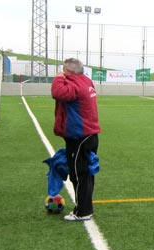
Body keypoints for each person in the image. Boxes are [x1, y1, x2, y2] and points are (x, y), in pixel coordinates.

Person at [51, 58, 101, 222]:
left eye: (64, 71)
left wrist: (59, 77)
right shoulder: (86, 81)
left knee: (79, 174)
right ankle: (85, 207)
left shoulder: (74, 85)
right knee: (85, 174)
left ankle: (83, 211)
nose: (62, 73)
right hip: (88, 135)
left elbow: (57, 92)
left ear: (70, 73)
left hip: (81, 136)